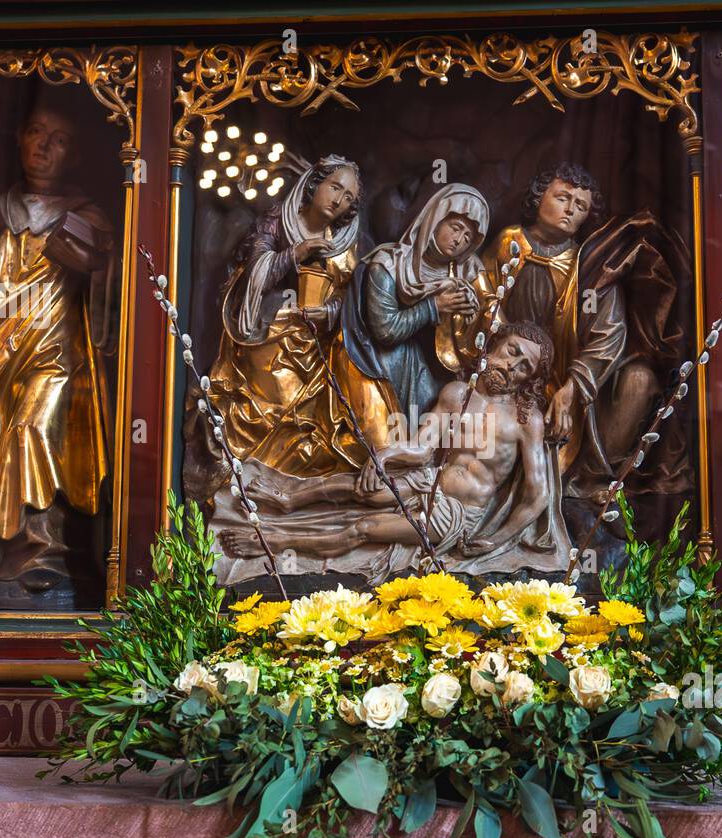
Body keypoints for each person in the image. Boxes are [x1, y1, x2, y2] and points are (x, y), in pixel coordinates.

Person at [217, 322, 571, 583]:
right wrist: (383, 456)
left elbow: (536, 494)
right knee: (362, 488)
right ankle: (290, 498)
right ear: (495, 344)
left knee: (364, 526)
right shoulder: (458, 393)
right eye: (512, 352)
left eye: (525, 366)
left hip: (456, 514)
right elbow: (421, 448)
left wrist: (496, 539)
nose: (512, 367)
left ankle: (275, 542)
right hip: (428, 481)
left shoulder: (527, 419)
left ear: (530, 379)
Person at [0, 99, 114, 608]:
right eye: (37, 133)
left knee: (33, 430)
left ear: (74, 156)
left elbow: (113, 294)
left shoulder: (87, 218)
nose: (43, 146)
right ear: (20, 139)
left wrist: (99, 264)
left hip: (56, 354)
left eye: (58, 140)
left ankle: (44, 554)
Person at [482, 163, 686, 502]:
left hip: (572, 384)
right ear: (538, 197)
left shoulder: (590, 264)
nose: (570, 210)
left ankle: (590, 479)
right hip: (514, 372)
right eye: (562, 198)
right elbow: (485, 296)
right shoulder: (509, 244)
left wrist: (572, 388)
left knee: (640, 381)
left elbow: (610, 335)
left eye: (580, 207)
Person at [208, 155, 398, 476]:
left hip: (317, 343)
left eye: (348, 198)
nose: (338, 201)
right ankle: (254, 473)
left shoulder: (343, 245)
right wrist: (295, 253)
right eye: (335, 188)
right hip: (268, 331)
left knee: (319, 419)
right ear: (314, 184)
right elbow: (253, 273)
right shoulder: (276, 222)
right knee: (277, 399)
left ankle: (292, 481)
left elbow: (351, 298)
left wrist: (330, 312)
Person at [340, 183, 490, 417]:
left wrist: (473, 319)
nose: (459, 240)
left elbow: (494, 321)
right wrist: (434, 306)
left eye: (468, 237)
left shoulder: (469, 272)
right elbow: (386, 330)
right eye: (456, 228)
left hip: (447, 370)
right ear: (436, 220)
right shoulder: (390, 264)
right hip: (393, 362)